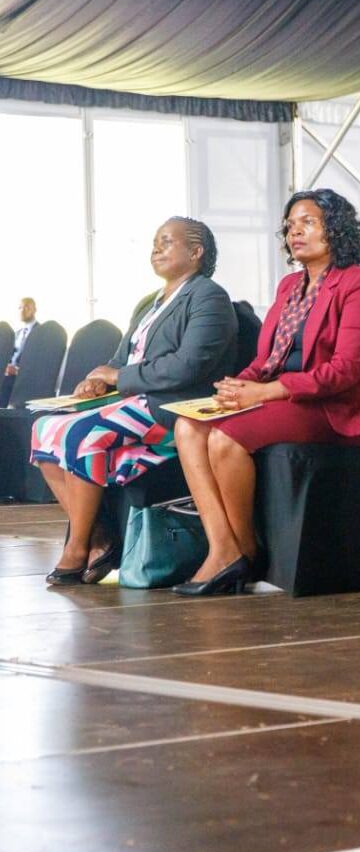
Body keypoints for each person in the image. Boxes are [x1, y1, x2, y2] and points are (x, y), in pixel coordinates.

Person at [173, 188, 360, 597]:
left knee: (224, 438)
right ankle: (223, 547)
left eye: (308, 222)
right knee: (188, 427)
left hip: (331, 407)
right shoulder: (290, 285)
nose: (295, 232)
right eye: (290, 226)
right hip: (281, 396)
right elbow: (267, 358)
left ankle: (245, 551)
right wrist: (238, 386)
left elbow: (346, 370)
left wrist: (266, 392)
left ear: (336, 229)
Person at [30, 219, 236, 586]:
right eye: (155, 242)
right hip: (134, 402)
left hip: (173, 406)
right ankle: (99, 536)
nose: (156, 248)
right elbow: (121, 360)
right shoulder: (150, 304)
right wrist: (98, 379)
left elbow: (187, 367)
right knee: (43, 429)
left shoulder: (209, 297)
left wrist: (119, 377)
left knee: (82, 434)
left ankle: (77, 547)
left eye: (166, 242)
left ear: (196, 252)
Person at [0, 297, 38, 406]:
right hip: (8, 378)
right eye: (20, 307)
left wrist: (17, 371)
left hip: (26, 380)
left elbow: (41, 363)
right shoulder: (16, 334)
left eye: (26, 307)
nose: (22, 310)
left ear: (34, 309)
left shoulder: (42, 334)